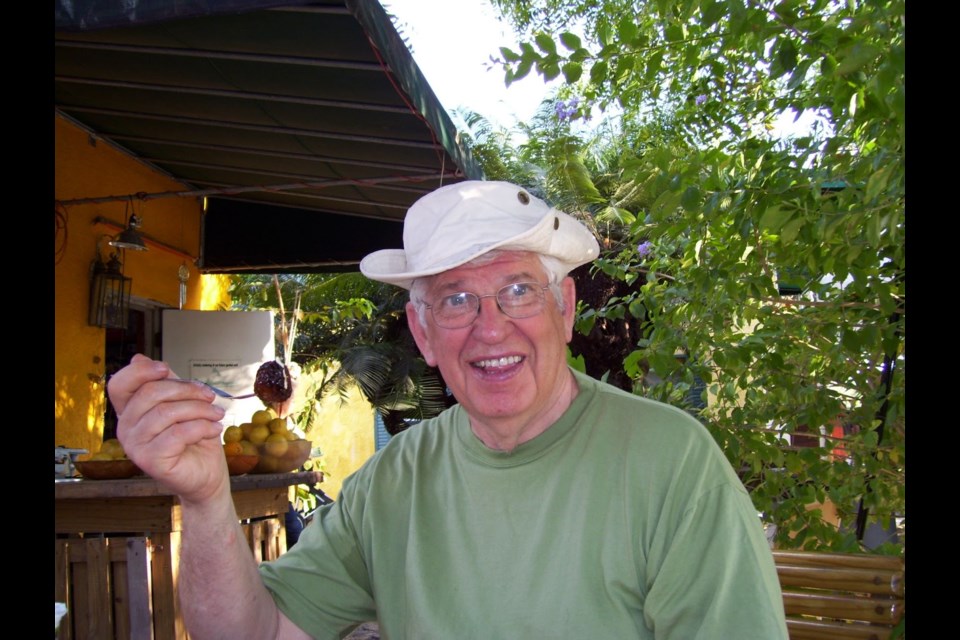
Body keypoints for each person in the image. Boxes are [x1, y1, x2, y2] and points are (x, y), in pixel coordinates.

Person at [108, 180, 788, 639]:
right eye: (456, 299)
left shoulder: (671, 463)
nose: (490, 328)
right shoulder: (394, 480)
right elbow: (253, 630)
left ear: (565, 309)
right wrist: (203, 498)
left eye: (518, 289)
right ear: (424, 331)